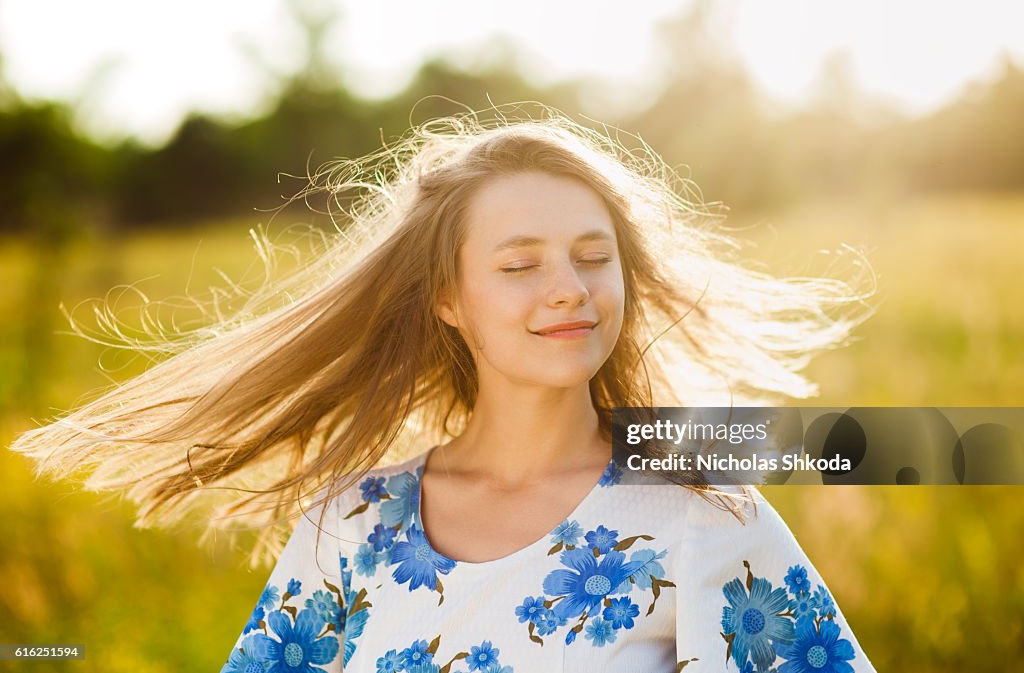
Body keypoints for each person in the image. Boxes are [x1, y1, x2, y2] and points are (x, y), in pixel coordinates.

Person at [10, 107, 876, 672]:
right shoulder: (351, 523)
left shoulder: (701, 512)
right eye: (519, 264)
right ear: (449, 299)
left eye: (592, 255)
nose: (570, 286)